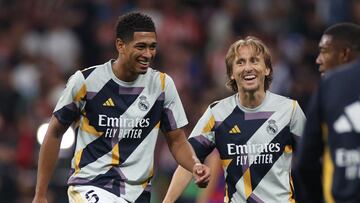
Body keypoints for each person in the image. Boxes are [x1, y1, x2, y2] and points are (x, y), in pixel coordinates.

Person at [32, 12, 210, 203]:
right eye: (141, 47)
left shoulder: (162, 85)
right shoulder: (86, 82)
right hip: (90, 185)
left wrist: (194, 165)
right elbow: (54, 133)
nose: (148, 54)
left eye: (152, 47)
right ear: (120, 45)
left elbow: (177, 141)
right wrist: (40, 194)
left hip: (138, 194)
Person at [163, 36, 306, 203]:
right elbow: (188, 161)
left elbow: (312, 158)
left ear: (267, 69)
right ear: (231, 73)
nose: (248, 68)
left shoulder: (289, 110)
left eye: (254, 61)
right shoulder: (217, 114)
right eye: (240, 62)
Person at [295, 23, 360, 203]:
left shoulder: (330, 86)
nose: (318, 60)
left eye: (324, 51)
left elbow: (305, 162)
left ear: (345, 54)